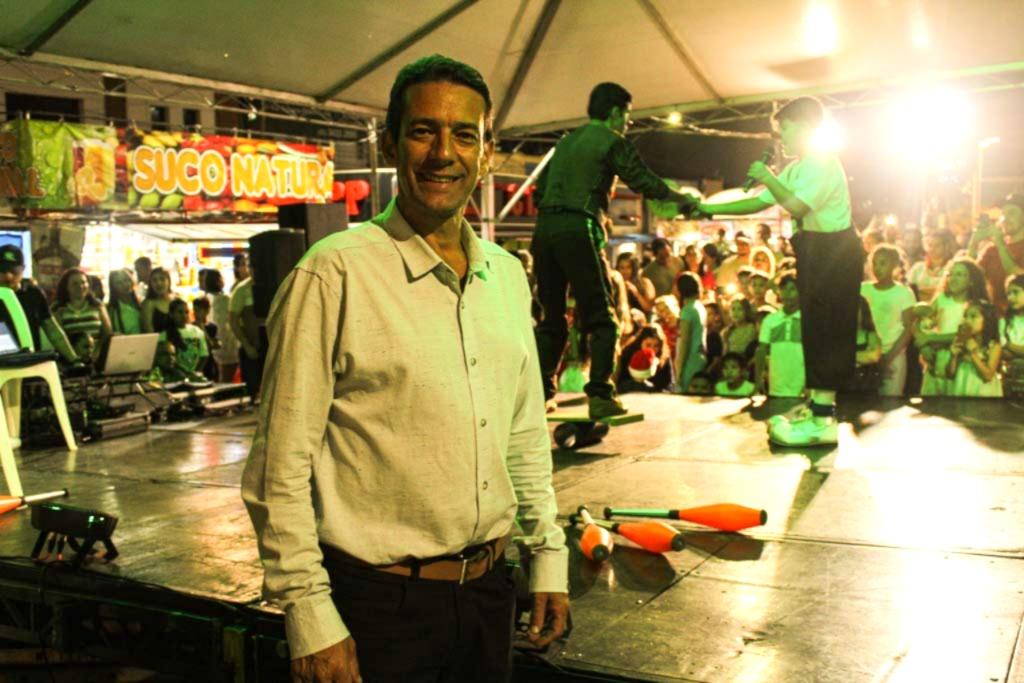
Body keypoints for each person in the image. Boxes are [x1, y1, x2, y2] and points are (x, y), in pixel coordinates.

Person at [241, 54, 567, 682]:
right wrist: (309, 613)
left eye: (464, 134)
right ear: (390, 144)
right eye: (423, 131)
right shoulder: (333, 274)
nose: (443, 153)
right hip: (377, 609)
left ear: (486, 153)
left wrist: (547, 552)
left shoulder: (506, 276)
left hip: (489, 596)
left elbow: (524, 435)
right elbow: (279, 467)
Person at [696, 97, 862, 446]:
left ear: (805, 126)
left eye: (784, 128)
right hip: (816, 251)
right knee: (815, 331)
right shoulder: (799, 168)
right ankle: (818, 411)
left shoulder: (822, 162)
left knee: (828, 331)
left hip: (834, 252)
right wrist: (704, 208)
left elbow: (796, 206)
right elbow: (758, 202)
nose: (780, 137)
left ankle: (823, 421)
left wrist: (768, 177)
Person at [531, 82, 696, 419]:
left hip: (544, 230)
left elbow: (539, 190)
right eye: (627, 116)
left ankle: (541, 393)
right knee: (604, 318)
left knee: (552, 319)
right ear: (616, 112)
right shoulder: (611, 141)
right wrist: (682, 200)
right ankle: (601, 394)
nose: (628, 123)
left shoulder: (566, 142)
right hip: (579, 227)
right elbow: (642, 180)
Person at [913, 258, 987, 396]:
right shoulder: (942, 299)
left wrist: (930, 338)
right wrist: (924, 347)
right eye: (950, 274)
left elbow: (966, 335)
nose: (953, 278)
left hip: (959, 361)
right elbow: (919, 323)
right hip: (937, 359)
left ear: (971, 280)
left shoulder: (976, 306)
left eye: (959, 275)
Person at [0, 245, 78, 362]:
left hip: (30, 362)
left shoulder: (33, 293)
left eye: (14, 271)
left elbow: (52, 330)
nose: (8, 276)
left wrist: (74, 359)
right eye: (2, 270)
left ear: (23, 270)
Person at [860, 245, 916, 396]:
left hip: (893, 355)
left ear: (894, 265)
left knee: (891, 400)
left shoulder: (903, 293)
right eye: (874, 263)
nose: (877, 268)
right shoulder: (863, 289)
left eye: (883, 263)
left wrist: (888, 358)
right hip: (867, 354)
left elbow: (908, 328)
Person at [969, 193, 1024, 311]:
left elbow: (1019, 279)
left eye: (1012, 213)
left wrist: (1000, 243)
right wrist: (973, 244)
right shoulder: (992, 249)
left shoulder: (998, 245)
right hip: (993, 317)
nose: (1005, 219)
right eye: (1003, 214)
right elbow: (969, 276)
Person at [755, 271, 805, 399]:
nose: (788, 294)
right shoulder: (770, 320)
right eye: (784, 289)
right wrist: (758, 379)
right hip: (776, 387)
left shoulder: (808, 321)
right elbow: (761, 351)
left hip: (802, 388)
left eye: (792, 289)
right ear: (779, 292)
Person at [51, 267, 112, 365]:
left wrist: (97, 353)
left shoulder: (97, 305)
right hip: (70, 360)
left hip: (97, 358)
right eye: (75, 284)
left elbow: (107, 333)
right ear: (66, 287)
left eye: (83, 282)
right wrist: (73, 357)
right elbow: (58, 337)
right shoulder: (58, 309)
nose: (80, 286)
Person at [947, 299, 1003, 397]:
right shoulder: (961, 340)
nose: (967, 320)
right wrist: (953, 356)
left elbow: (988, 376)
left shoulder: (993, 345)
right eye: (965, 316)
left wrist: (973, 354)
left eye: (973, 316)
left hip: (984, 393)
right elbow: (950, 375)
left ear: (987, 320)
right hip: (962, 387)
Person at [158, 299, 209, 383]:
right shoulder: (164, 335)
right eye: (180, 312)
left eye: (186, 312)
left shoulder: (197, 332)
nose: (184, 316)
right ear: (171, 314)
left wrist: (196, 373)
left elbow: (204, 355)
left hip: (195, 378)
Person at [202, 269, 239, 384]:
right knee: (228, 377)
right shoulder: (226, 299)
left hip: (212, 342)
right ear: (218, 281)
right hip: (228, 343)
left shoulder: (205, 299)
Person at [229, 273, 262, 397]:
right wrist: (247, 345)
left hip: (270, 344)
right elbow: (233, 320)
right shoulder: (242, 289)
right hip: (253, 346)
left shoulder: (273, 283)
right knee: (252, 389)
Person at [615, 324, 673, 394]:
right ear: (640, 342)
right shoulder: (629, 354)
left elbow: (668, 384)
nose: (652, 349)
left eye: (656, 346)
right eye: (648, 345)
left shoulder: (664, 357)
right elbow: (621, 380)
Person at [674, 272, 707, 393]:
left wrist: (679, 369)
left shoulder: (687, 311)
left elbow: (685, 342)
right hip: (700, 356)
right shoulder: (700, 307)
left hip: (689, 360)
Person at [907, 229, 957, 303]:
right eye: (930, 245)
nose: (932, 249)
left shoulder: (952, 268)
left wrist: (921, 290)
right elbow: (909, 291)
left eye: (937, 245)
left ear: (946, 247)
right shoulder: (918, 267)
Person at [846, 295, 883, 394]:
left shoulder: (871, 335)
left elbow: (874, 357)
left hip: (866, 388)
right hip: (843, 388)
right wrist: (862, 356)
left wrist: (845, 357)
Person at [1001, 274, 1024, 398]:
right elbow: (1002, 353)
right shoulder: (1003, 322)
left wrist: (1008, 345)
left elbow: (1005, 347)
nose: (1011, 297)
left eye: (1016, 292)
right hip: (1010, 383)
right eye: (1008, 294)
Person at [191, 295, 220, 382]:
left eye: (199, 310)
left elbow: (211, 345)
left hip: (209, 364)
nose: (196, 312)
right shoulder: (190, 327)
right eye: (195, 309)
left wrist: (201, 327)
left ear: (207, 311)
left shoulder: (212, 327)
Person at [108, 268, 143, 335]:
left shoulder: (141, 303)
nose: (124, 284)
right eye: (119, 283)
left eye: (126, 280)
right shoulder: (113, 310)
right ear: (113, 286)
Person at [141, 267, 174, 333]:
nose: (159, 283)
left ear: (169, 281)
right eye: (154, 280)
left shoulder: (173, 301)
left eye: (162, 279)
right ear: (150, 284)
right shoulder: (148, 304)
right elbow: (149, 332)